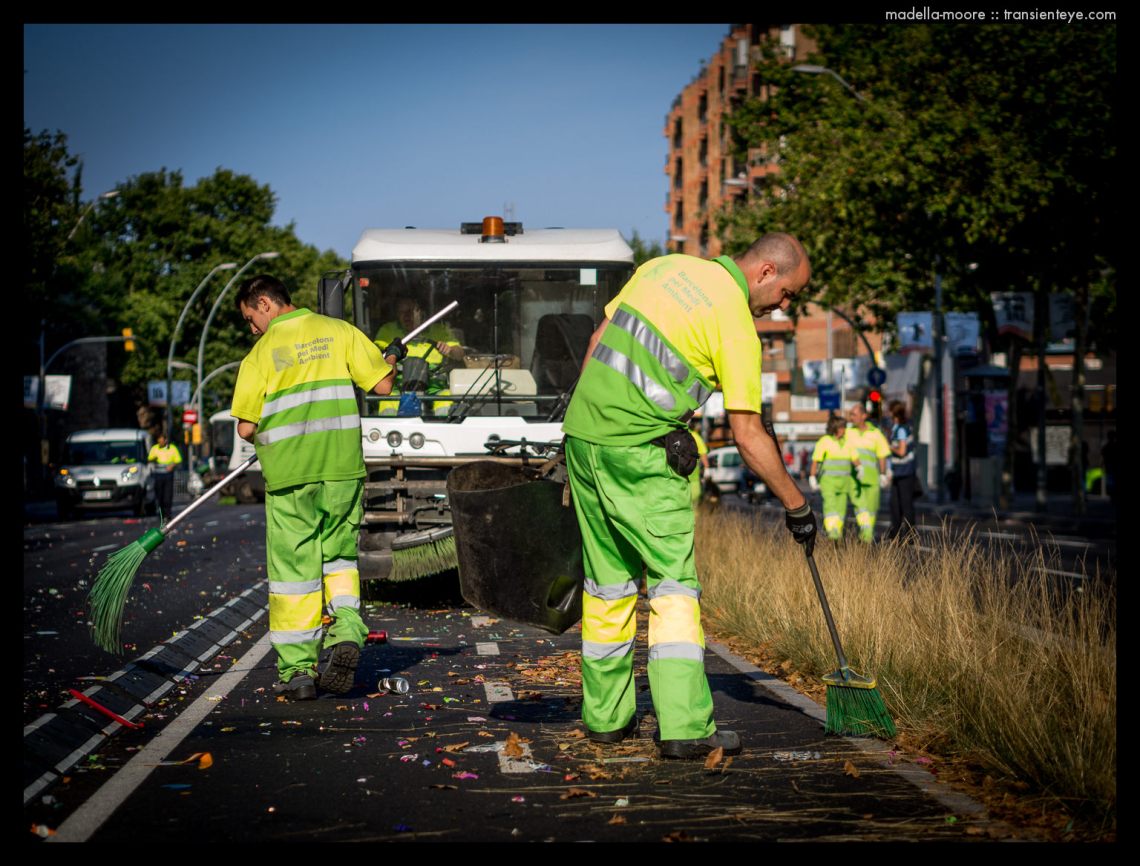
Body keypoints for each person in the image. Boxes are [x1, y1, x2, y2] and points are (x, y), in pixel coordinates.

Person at [560, 233, 817, 760]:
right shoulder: (737, 326)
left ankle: (606, 718)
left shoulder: (664, 267)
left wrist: (585, 427)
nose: (784, 307)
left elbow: (596, 343)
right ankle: (684, 728)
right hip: (642, 457)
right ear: (766, 272)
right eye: (789, 293)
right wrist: (797, 505)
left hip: (583, 439)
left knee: (607, 584)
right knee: (673, 588)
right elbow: (748, 436)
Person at [230, 274, 397, 701]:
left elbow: (246, 427)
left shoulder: (260, 354)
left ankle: (299, 673)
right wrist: (390, 359)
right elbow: (382, 384)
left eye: (251, 318)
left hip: (290, 480)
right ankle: (346, 630)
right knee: (339, 559)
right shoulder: (339, 331)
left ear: (264, 304)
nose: (252, 329)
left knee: (294, 575)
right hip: (341, 471)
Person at [374, 298, 464, 416]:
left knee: (446, 399)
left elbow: (460, 354)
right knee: (387, 400)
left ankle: (442, 430)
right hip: (399, 385)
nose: (406, 316)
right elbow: (377, 353)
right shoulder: (388, 331)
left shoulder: (439, 330)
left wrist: (450, 350)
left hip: (434, 385)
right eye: (402, 312)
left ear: (420, 312)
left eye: (410, 311)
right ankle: (389, 430)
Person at [809, 415, 861, 542]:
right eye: (842, 427)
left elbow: (855, 459)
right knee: (831, 509)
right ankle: (833, 537)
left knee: (841, 511)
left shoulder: (847, 442)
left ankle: (837, 535)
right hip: (828, 483)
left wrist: (860, 468)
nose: (845, 429)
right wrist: (812, 477)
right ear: (835, 428)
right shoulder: (824, 441)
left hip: (844, 483)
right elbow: (816, 461)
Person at [845, 402, 891, 543]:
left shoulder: (875, 434)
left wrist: (883, 474)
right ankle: (866, 537)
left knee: (871, 511)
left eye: (854, 414)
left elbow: (882, 455)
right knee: (861, 509)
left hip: (872, 479)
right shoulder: (848, 433)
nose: (851, 417)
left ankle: (866, 536)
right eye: (851, 414)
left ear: (864, 416)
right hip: (854, 479)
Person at [885, 400, 918, 540]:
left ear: (894, 412)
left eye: (889, 410)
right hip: (899, 472)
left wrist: (888, 446)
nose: (887, 412)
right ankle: (896, 532)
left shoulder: (901, 429)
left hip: (905, 472)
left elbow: (902, 451)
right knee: (895, 504)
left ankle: (910, 535)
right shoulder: (897, 428)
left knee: (905, 504)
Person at [147, 433, 182, 519]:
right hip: (158, 474)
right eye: (159, 440)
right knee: (159, 495)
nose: (160, 442)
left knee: (168, 495)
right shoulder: (155, 448)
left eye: (162, 440)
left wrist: (172, 465)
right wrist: (153, 459)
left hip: (168, 474)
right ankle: (161, 513)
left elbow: (178, 460)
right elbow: (149, 458)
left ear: (166, 440)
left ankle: (168, 514)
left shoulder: (172, 448)